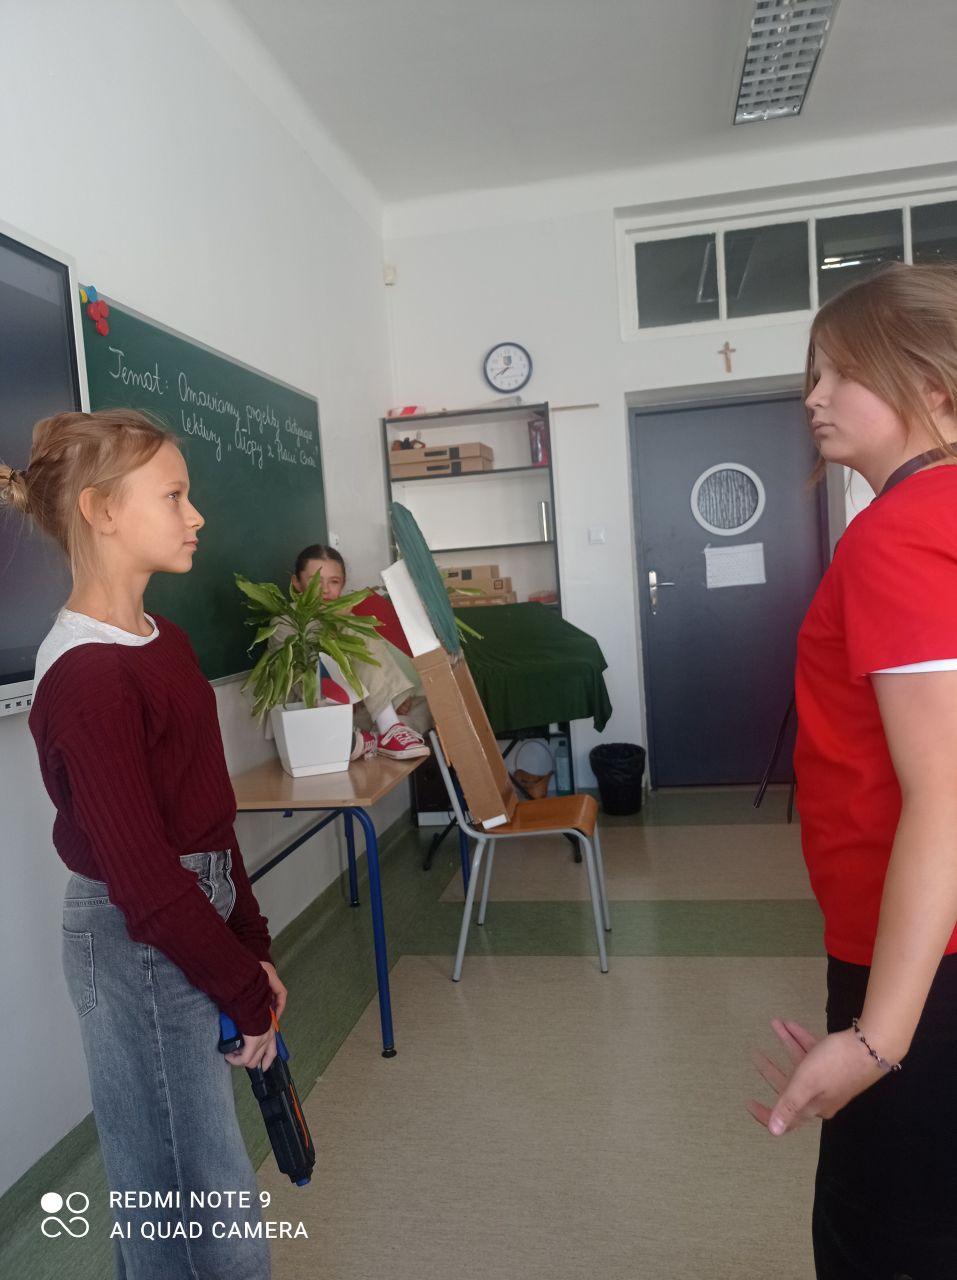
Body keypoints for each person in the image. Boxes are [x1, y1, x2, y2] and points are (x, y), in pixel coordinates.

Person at [1, 410, 282, 1278]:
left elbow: (207, 817)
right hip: (137, 940)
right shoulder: (86, 676)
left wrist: (252, 949)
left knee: (198, 1181)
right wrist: (243, 988)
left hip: (187, 917)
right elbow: (146, 882)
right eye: (174, 495)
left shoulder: (168, 643)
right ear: (102, 510)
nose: (196, 516)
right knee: (192, 1196)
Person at [748, 263, 957, 1279]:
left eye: (842, 372)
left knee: (882, 1243)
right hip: (925, 942)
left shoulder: (898, 533)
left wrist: (878, 1038)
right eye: (812, 373)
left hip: (923, 955)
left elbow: (944, 793)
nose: (813, 396)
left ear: (933, 386)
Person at [286, 543, 430, 761]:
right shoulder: (285, 622)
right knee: (355, 629)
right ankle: (386, 727)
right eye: (315, 581)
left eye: (334, 582)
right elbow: (305, 681)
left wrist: (388, 696)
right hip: (313, 713)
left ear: (343, 584)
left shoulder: (347, 617)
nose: (325, 590)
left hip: (353, 708)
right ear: (296, 583)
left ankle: (386, 729)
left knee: (425, 707)